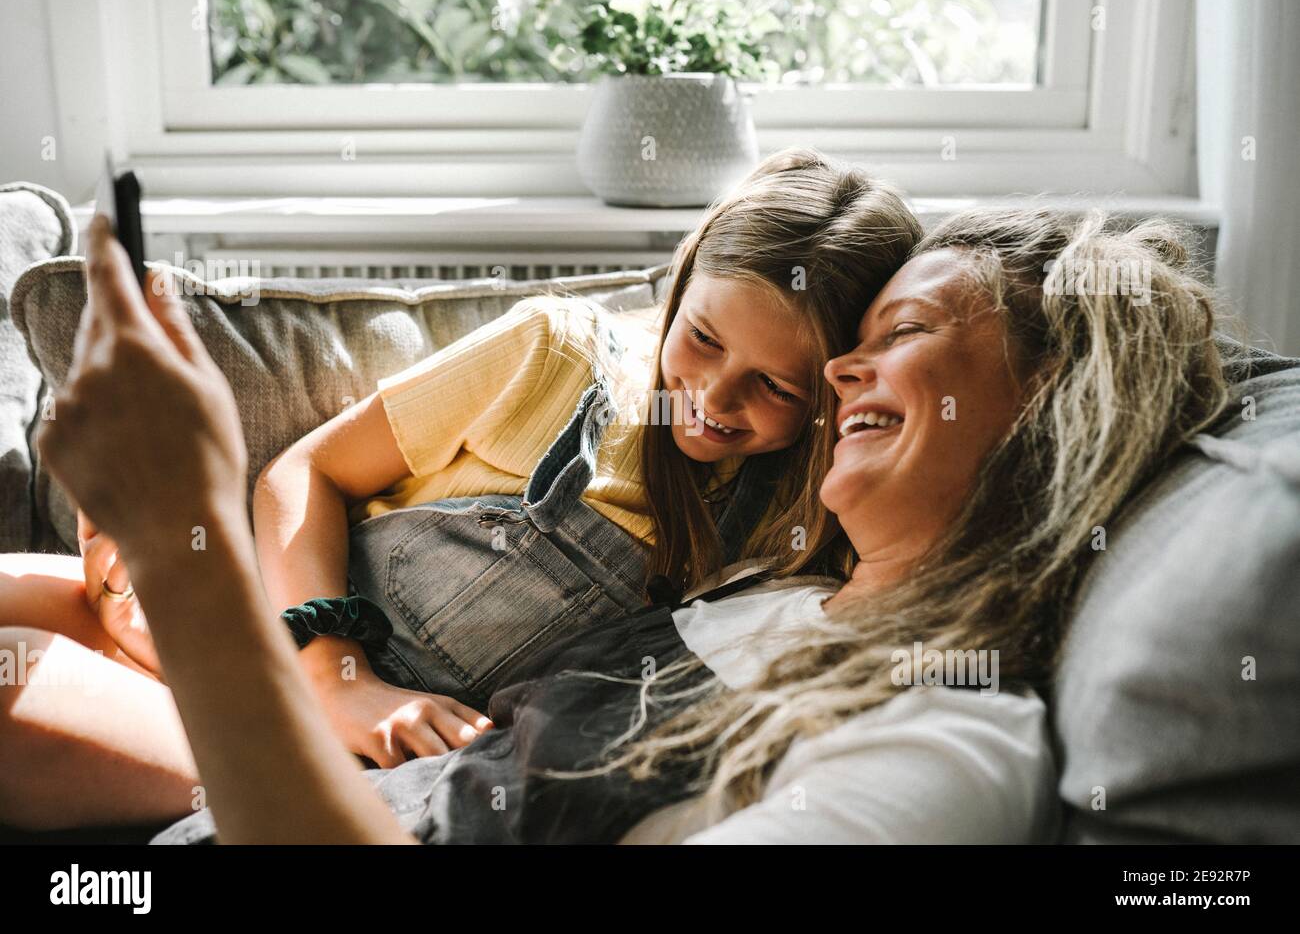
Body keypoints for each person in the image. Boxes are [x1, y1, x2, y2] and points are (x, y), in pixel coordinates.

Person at [12, 201, 1233, 843]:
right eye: (854, 359)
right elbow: (315, 485)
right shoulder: (774, 588)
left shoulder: (944, 732)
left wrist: (191, 548)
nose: (842, 386)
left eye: (892, 347)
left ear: (1059, 413)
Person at [0, 149, 922, 829]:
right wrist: (334, 671)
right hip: (274, 629)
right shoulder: (559, 356)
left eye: (774, 387)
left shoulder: (803, 520)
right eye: (705, 339)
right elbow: (304, 471)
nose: (712, 400)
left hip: (298, 745)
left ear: (836, 392)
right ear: (682, 287)